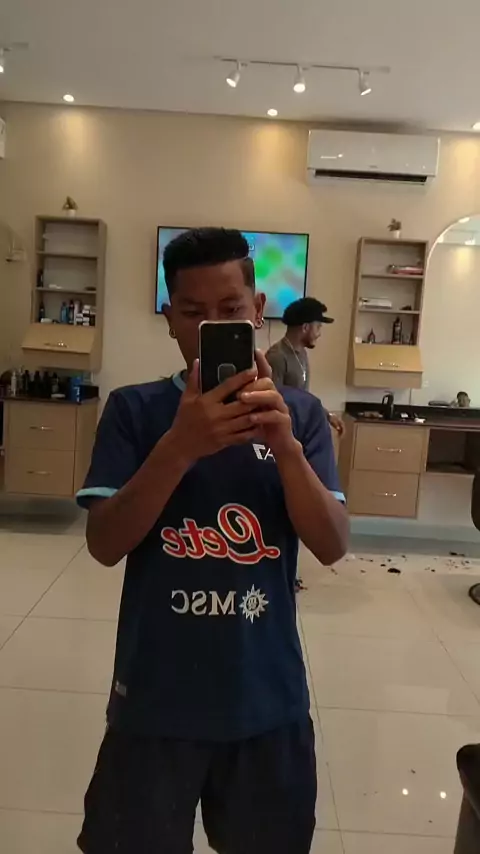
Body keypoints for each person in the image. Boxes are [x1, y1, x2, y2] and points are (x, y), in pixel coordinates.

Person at [76, 227, 348, 854]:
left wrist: (284, 447)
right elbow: (104, 544)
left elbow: (332, 546)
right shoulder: (135, 411)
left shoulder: (301, 415)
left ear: (257, 311)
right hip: (153, 696)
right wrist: (180, 447)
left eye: (230, 309)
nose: (211, 327)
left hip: (266, 697)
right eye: (193, 313)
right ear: (169, 317)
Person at [266, 297, 345, 437]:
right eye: (318, 327)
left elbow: (304, 399)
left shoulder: (302, 353)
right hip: (283, 437)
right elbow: (272, 403)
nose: (319, 334)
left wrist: (327, 416)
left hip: (300, 432)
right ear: (305, 327)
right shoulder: (276, 357)